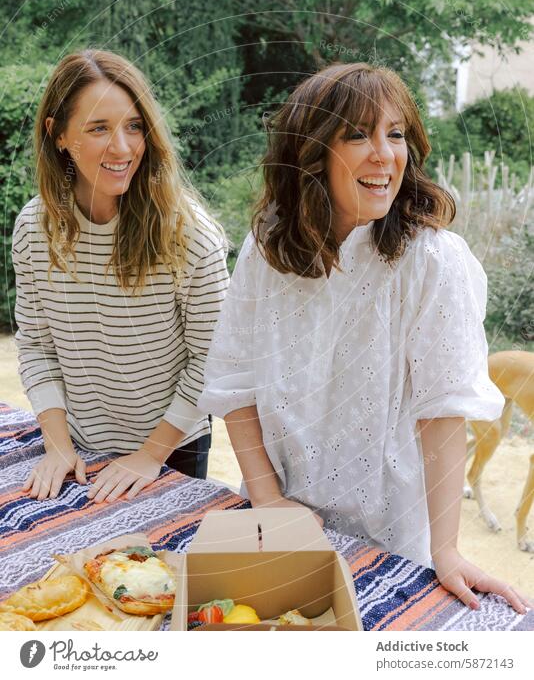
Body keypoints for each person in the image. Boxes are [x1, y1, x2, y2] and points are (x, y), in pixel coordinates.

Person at [199, 61, 532, 613]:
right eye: (357, 135)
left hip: (391, 538)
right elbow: (236, 382)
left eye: (395, 134)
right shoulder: (267, 247)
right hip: (282, 520)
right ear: (311, 152)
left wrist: (446, 549)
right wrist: (268, 498)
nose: (385, 154)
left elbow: (442, 410)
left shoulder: (433, 260)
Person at [13, 49, 229, 502]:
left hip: (171, 451)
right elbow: (36, 344)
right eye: (98, 128)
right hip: (78, 447)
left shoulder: (189, 234)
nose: (124, 147)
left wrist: (150, 456)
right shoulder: (34, 229)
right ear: (57, 135)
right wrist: (57, 445)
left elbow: (213, 362)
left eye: (134, 126)